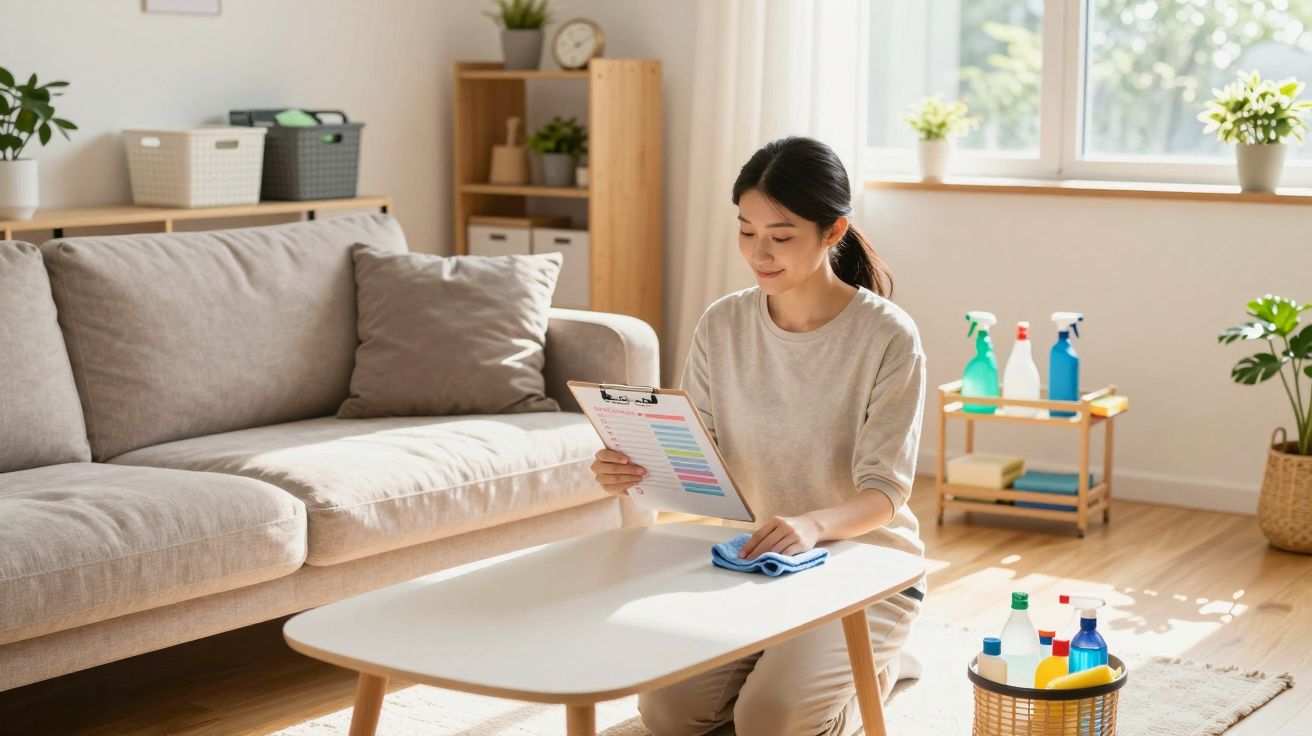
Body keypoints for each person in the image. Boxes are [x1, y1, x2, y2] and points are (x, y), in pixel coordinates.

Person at [589, 136, 928, 736]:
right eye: (746, 231)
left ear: (833, 231)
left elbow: (885, 493)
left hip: (863, 563)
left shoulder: (887, 336)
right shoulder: (723, 323)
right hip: (755, 558)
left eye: (781, 234)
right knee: (667, 716)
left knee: (768, 724)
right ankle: (807, 669)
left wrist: (814, 524)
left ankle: (878, 667)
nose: (759, 252)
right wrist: (637, 467)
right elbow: (705, 453)